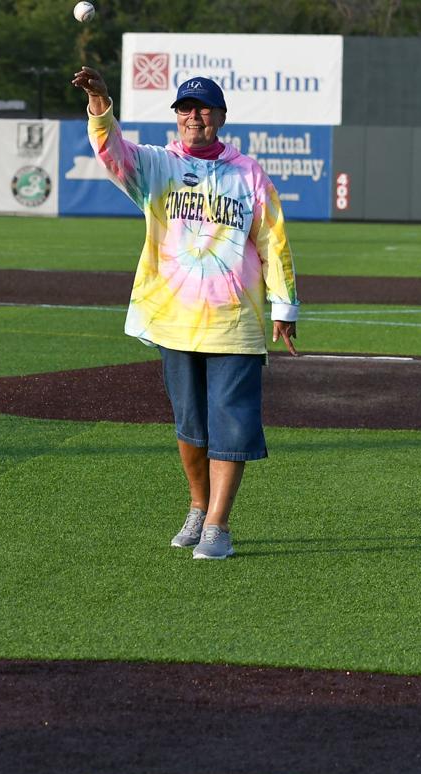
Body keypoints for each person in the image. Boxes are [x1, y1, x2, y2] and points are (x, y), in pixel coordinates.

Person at [70, 67, 300, 560]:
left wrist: (284, 305)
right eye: (185, 109)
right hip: (174, 317)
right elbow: (112, 153)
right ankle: (198, 506)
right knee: (190, 425)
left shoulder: (249, 173)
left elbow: (272, 240)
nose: (194, 116)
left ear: (220, 116)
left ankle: (218, 524)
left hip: (235, 320)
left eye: (203, 108)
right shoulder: (158, 167)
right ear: (176, 117)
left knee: (232, 423)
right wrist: (100, 102)